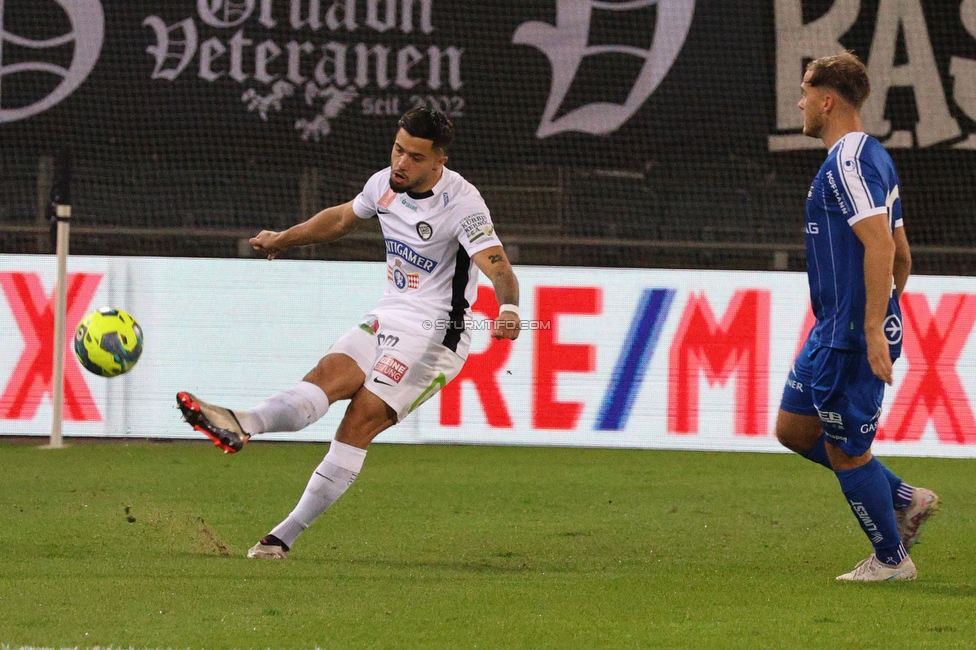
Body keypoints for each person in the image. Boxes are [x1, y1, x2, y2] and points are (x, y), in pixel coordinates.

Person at [176, 107, 521, 559]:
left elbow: (495, 261)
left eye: (415, 157)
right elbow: (340, 220)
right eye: (398, 150)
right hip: (387, 316)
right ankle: (243, 423)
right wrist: (283, 238)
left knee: (358, 418)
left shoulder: (464, 204)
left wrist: (509, 307)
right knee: (324, 379)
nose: (401, 163)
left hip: (438, 335)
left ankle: (283, 536)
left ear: (440, 161)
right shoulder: (384, 184)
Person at [775, 52, 939, 581]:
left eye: (805, 92)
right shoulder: (872, 157)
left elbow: (880, 248)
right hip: (833, 330)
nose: (799, 102)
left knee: (847, 451)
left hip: (847, 334)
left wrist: (872, 329)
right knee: (794, 430)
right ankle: (903, 497)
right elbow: (903, 253)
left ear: (828, 101)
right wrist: (884, 313)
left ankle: (892, 560)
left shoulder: (847, 163)